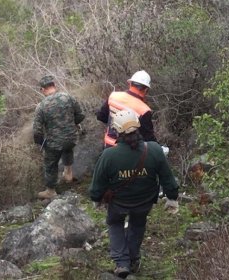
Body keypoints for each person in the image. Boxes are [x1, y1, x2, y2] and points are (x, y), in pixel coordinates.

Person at [89, 109, 179, 279]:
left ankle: (122, 263)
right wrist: (172, 197)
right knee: (138, 224)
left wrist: (96, 199)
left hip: (118, 203)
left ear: (116, 130)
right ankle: (132, 258)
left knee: (115, 224)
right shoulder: (154, 149)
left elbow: (97, 184)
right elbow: (167, 177)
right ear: (138, 127)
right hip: (145, 201)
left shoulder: (109, 155)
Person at [33, 75, 85, 199]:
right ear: (54, 86)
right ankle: (68, 174)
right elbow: (81, 115)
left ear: (42, 90)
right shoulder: (68, 97)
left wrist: (41, 144)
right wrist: (71, 125)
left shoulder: (41, 106)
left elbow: (37, 132)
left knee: (50, 163)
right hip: (72, 137)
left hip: (54, 142)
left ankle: (50, 190)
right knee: (67, 148)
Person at [96, 70, 157, 148]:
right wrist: (159, 148)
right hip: (129, 151)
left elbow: (101, 116)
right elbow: (148, 137)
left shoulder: (114, 96)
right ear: (146, 89)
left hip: (108, 146)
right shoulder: (144, 110)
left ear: (130, 83)